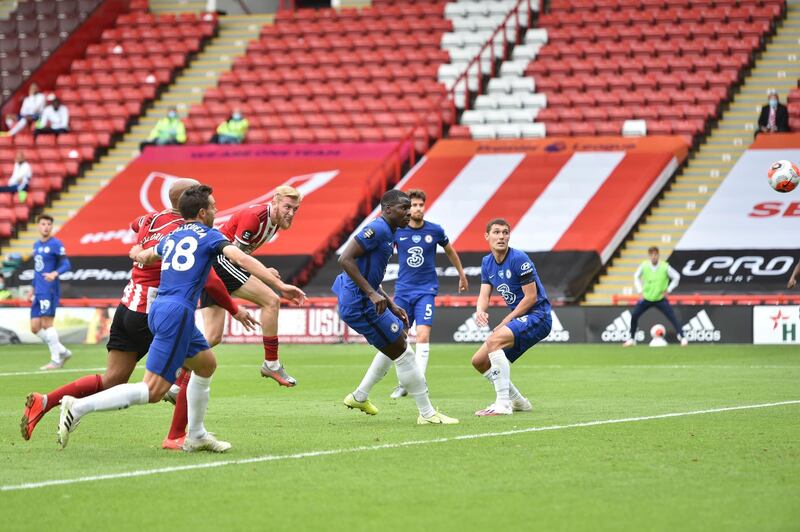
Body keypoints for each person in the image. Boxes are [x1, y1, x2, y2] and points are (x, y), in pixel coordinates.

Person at [56, 185, 305, 451]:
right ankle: (79, 406)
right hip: (176, 314)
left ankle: (196, 435)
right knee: (152, 391)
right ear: (202, 212)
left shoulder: (173, 236)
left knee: (206, 364)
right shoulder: (209, 236)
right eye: (213, 207)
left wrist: (136, 252)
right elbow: (240, 259)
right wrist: (280, 287)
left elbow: (146, 255)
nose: (217, 211)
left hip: (163, 310)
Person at [20, 178, 255, 444]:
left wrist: (140, 247)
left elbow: (135, 225)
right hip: (156, 311)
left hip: (128, 306)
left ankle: (46, 401)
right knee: (195, 367)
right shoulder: (186, 231)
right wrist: (234, 308)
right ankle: (177, 435)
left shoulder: (148, 219)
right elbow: (211, 280)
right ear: (186, 202)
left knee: (113, 378)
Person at [334, 189, 458, 425]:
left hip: (367, 300)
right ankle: (427, 414)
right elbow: (345, 259)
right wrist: (371, 294)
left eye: (410, 207)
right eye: (404, 208)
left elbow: (370, 273)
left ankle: (360, 396)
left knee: (399, 337)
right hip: (359, 304)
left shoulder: (390, 232)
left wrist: (390, 303)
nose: (409, 212)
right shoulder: (378, 229)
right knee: (403, 353)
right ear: (388, 209)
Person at [198, 185, 305, 386]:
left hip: (214, 267)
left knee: (212, 337)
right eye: (287, 207)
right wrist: (270, 278)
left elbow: (242, 255)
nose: (291, 213)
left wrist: (264, 272)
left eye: (295, 209)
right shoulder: (254, 217)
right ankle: (271, 364)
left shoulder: (275, 223)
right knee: (271, 300)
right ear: (274, 202)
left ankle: (175, 375)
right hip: (219, 262)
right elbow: (236, 258)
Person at [388, 189, 468, 399]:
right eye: (413, 205)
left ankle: (418, 383)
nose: (417, 209)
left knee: (422, 335)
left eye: (420, 205)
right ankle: (403, 382)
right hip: (403, 290)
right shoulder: (398, 231)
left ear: (424, 206)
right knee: (399, 337)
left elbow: (450, 250)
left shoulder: (435, 230)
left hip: (426, 290)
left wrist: (461, 274)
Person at [470, 218, 551, 416]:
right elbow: (484, 294)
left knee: (494, 341)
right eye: (497, 232)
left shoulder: (518, 258)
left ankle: (503, 404)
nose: (501, 236)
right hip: (521, 317)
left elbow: (531, 298)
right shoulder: (487, 262)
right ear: (487, 236)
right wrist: (480, 310)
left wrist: (507, 320)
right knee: (479, 361)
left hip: (538, 316)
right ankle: (519, 402)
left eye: (505, 232)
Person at [29, 214, 72, 369]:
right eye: (43, 224)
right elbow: (37, 270)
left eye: (48, 224)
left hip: (49, 289)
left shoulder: (56, 244)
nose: (45, 227)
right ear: (38, 226)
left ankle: (55, 360)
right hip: (38, 290)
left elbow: (66, 264)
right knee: (35, 327)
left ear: (52, 226)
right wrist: (32, 288)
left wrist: (55, 273)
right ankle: (62, 351)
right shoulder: (36, 245)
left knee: (47, 324)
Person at [623, 246, 687, 347]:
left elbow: (676, 277)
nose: (653, 257)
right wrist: (640, 291)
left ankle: (682, 338)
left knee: (673, 317)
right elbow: (636, 277)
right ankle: (632, 339)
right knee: (634, 316)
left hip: (660, 298)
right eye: (651, 255)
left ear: (658, 255)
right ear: (649, 256)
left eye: (655, 255)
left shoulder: (665, 266)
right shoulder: (644, 265)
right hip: (646, 298)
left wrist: (669, 289)